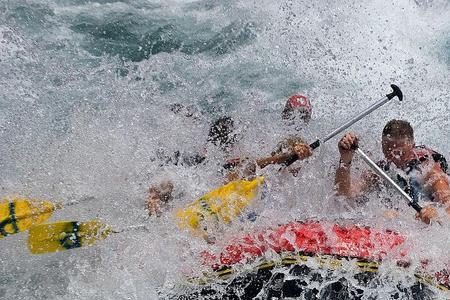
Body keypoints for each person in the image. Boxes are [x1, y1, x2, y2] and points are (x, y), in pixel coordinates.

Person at [147, 94, 315, 217]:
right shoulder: (204, 166)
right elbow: (170, 178)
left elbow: (282, 148)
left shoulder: (249, 159)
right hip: (194, 173)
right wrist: (154, 198)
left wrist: (294, 151)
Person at [334, 119, 450, 224]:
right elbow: (344, 194)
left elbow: (448, 205)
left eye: (400, 153)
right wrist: (345, 159)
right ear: (382, 146)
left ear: (412, 146)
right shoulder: (380, 170)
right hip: (399, 220)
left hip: (421, 220)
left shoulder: (428, 169)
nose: (394, 159)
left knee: (391, 214)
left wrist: (435, 213)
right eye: (388, 152)